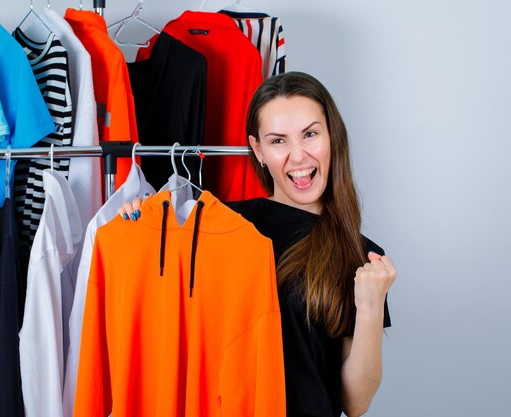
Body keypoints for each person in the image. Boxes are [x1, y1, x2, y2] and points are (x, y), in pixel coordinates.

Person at [118, 71, 396, 417]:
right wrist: (140, 225)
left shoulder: (361, 256)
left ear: (332, 138)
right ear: (258, 150)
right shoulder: (216, 226)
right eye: (278, 141)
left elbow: (355, 404)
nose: (298, 156)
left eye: (310, 134)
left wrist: (369, 308)